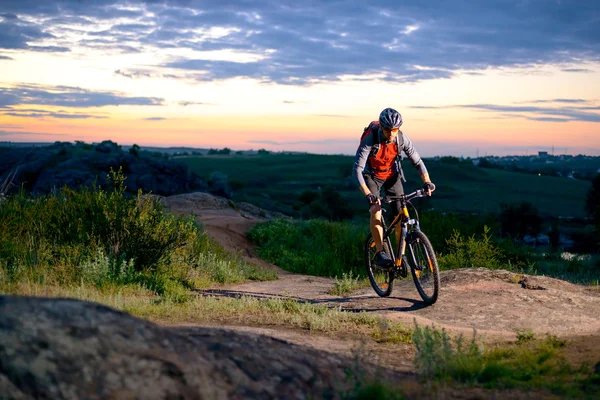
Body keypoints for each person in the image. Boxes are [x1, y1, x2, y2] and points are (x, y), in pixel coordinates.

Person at [353, 107, 435, 268]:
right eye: (388, 130)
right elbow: (357, 170)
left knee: (402, 215)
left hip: (392, 175)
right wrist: (368, 194)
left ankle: (399, 255)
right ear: (381, 127)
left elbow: (417, 162)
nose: (391, 133)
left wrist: (427, 181)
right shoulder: (370, 139)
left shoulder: (402, 139)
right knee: (376, 209)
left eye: (395, 130)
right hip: (372, 176)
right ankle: (379, 252)